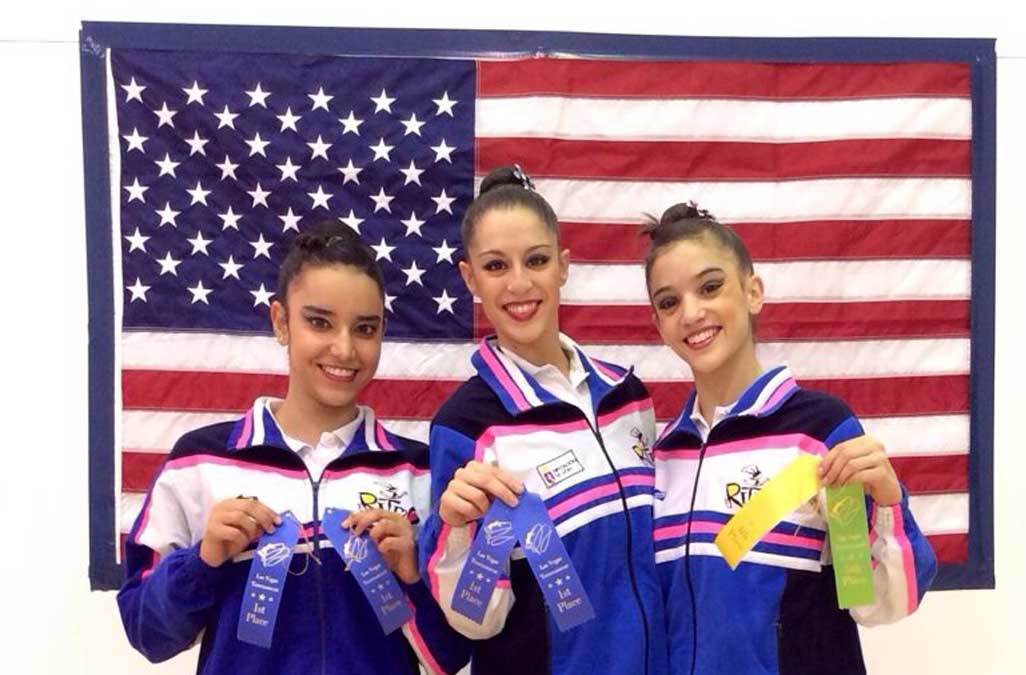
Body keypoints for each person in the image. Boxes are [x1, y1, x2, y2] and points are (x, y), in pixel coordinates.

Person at [117, 220, 469, 675]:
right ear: (281, 321)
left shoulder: (416, 472)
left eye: (365, 328)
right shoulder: (199, 461)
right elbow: (146, 633)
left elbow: (450, 656)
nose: (344, 349)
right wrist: (203, 560)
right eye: (319, 322)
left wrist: (411, 576)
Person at [642, 203, 938, 675]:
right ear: (657, 325)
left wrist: (886, 503)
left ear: (752, 291)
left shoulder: (819, 434)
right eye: (669, 301)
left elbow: (880, 603)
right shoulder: (662, 460)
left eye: (710, 287)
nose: (692, 313)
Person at [418, 166, 668, 675]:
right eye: (495, 266)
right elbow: (472, 619)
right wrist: (458, 529)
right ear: (469, 278)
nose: (519, 283)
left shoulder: (629, 397)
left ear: (563, 265)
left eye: (536, 260)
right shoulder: (465, 426)